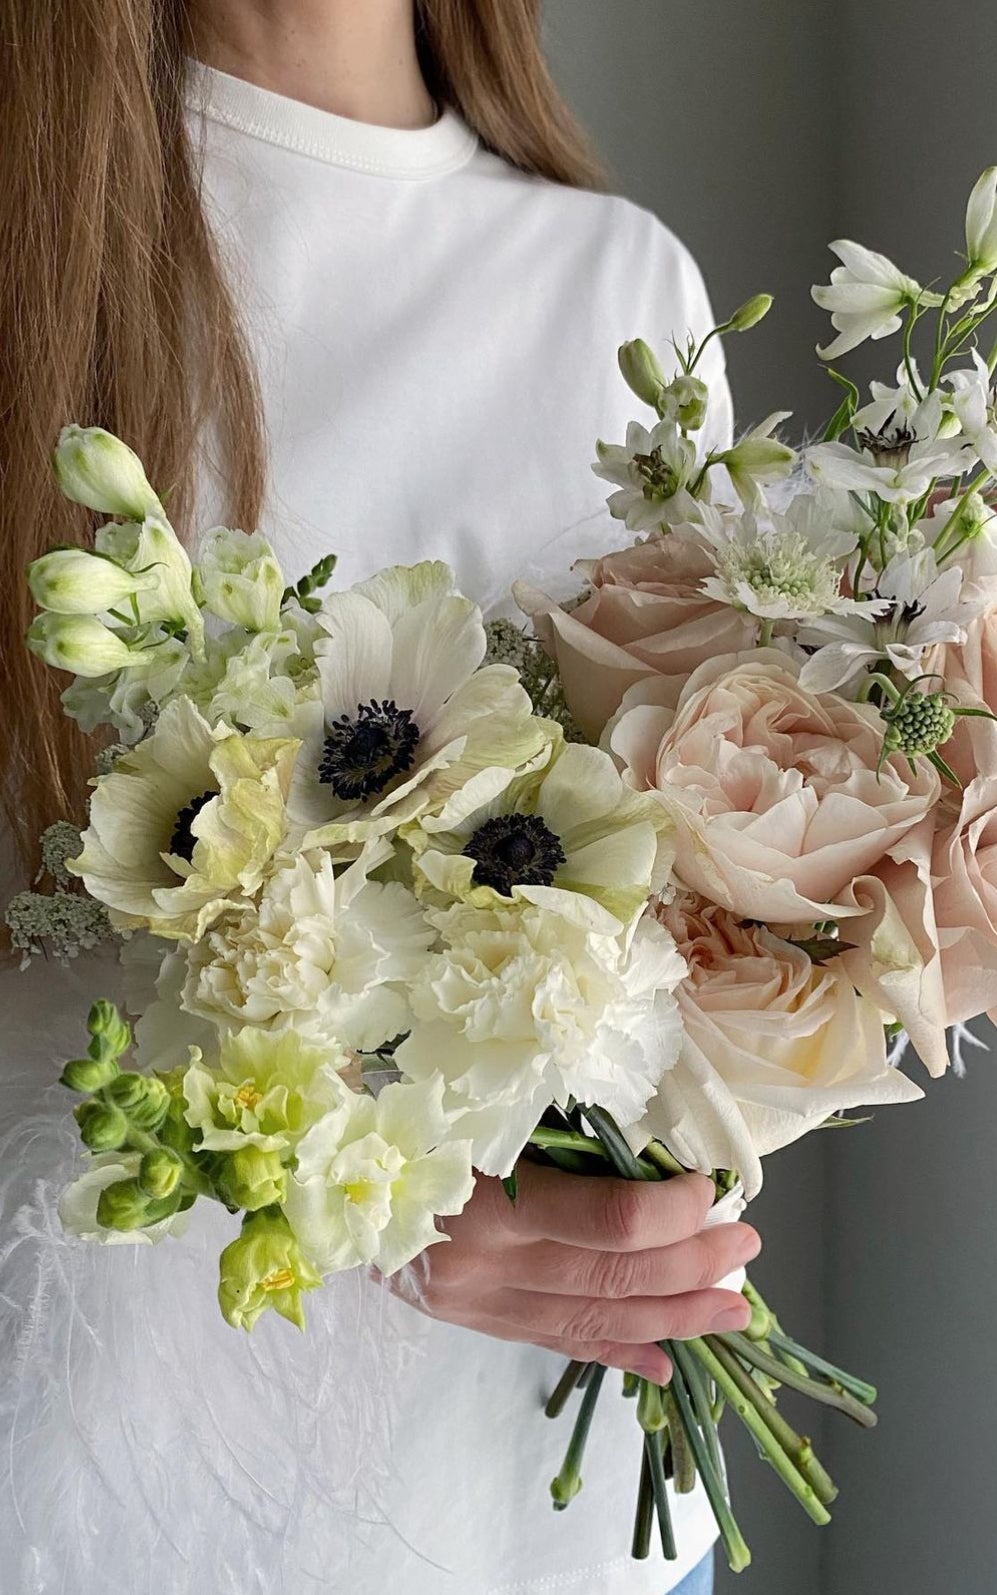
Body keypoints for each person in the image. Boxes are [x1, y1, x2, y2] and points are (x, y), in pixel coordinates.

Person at [0, 4, 761, 1591]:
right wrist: (373, 1196)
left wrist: (929, 731)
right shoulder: (35, 256)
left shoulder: (620, 288)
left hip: (560, 1526)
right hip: (112, 1505)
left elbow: (695, 939)